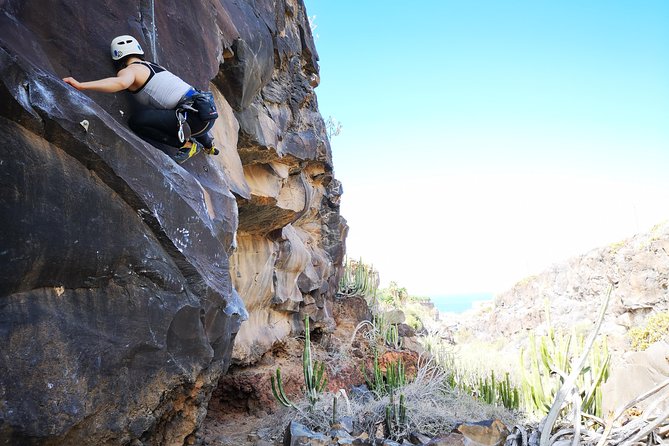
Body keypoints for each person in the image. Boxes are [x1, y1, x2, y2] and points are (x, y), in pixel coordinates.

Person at [63, 35, 219, 164]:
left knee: (137, 121)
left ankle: (187, 144)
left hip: (192, 119)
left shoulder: (132, 70)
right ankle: (208, 145)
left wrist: (82, 85)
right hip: (205, 114)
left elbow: (121, 83)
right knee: (180, 111)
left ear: (118, 58)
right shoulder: (155, 66)